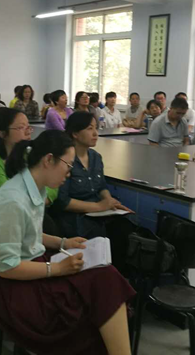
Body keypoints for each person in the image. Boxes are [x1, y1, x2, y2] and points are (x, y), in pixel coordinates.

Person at [0, 130, 135, 355]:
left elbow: (28, 233)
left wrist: (63, 243)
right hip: (4, 286)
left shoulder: (34, 188)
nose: (69, 173)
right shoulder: (11, 201)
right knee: (99, 291)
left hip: (28, 264)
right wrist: (57, 268)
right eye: (68, 165)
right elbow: (6, 268)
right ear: (48, 160)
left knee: (105, 277)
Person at [0, 108, 58, 294]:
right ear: (2, 133)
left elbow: (51, 188)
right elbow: (18, 202)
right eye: (21, 127)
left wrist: (44, 188)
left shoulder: (25, 157)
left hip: (27, 243)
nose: (28, 131)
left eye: (28, 127)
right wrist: (44, 188)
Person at [51, 111, 134, 271]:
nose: (95, 133)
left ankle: (118, 276)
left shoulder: (96, 157)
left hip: (98, 213)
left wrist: (109, 201)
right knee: (99, 234)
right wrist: (99, 207)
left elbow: (101, 186)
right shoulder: (64, 159)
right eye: (90, 129)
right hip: (74, 217)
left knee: (125, 227)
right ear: (75, 133)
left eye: (96, 128)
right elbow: (62, 201)